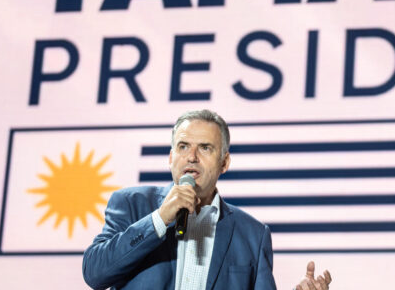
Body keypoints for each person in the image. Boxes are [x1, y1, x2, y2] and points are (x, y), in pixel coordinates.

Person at [83, 109, 332, 290]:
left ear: (224, 163)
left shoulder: (253, 235)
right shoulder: (131, 204)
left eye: (205, 148)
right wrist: (159, 220)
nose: (191, 156)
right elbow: (95, 274)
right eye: (182, 146)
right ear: (170, 158)